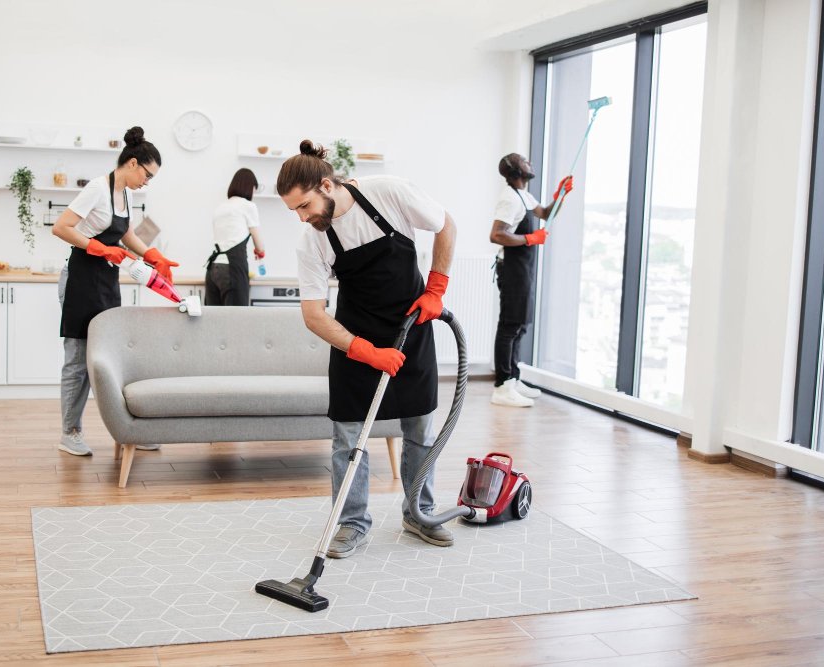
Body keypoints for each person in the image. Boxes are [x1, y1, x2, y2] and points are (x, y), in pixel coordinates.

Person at [277, 140, 457, 558]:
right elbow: (314, 315)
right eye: (295, 211)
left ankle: (419, 513)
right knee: (347, 438)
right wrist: (364, 351)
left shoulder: (387, 192)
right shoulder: (313, 240)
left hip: (413, 326)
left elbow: (445, 223)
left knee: (420, 429)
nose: (302, 217)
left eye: (304, 206)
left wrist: (437, 287)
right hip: (356, 339)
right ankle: (352, 524)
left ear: (326, 184)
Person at [52, 126, 179, 456]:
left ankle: (127, 431)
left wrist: (152, 255)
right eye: (147, 175)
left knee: (110, 357)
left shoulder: (126, 194)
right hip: (80, 278)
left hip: (106, 281)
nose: (147, 182)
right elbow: (62, 227)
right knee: (78, 360)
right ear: (133, 163)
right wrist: (97, 248)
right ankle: (71, 431)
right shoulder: (97, 188)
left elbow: (127, 235)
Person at [489, 153, 572, 407]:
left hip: (523, 268)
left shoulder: (523, 196)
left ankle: (513, 379)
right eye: (525, 160)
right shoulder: (508, 199)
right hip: (512, 269)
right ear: (516, 169)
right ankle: (502, 386)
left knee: (521, 324)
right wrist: (529, 239)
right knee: (510, 325)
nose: (530, 162)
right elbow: (496, 235)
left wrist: (561, 195)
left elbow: (546, 213)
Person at [204, 168, 265, 306]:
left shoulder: (220, 207)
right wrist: (260, 251)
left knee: (214, 320)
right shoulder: (248, 206)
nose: (253, 194)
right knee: (237, 320)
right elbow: (259, 244)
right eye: (254, 190)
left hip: (213, 268)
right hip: (233, 269)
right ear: (249, 187)